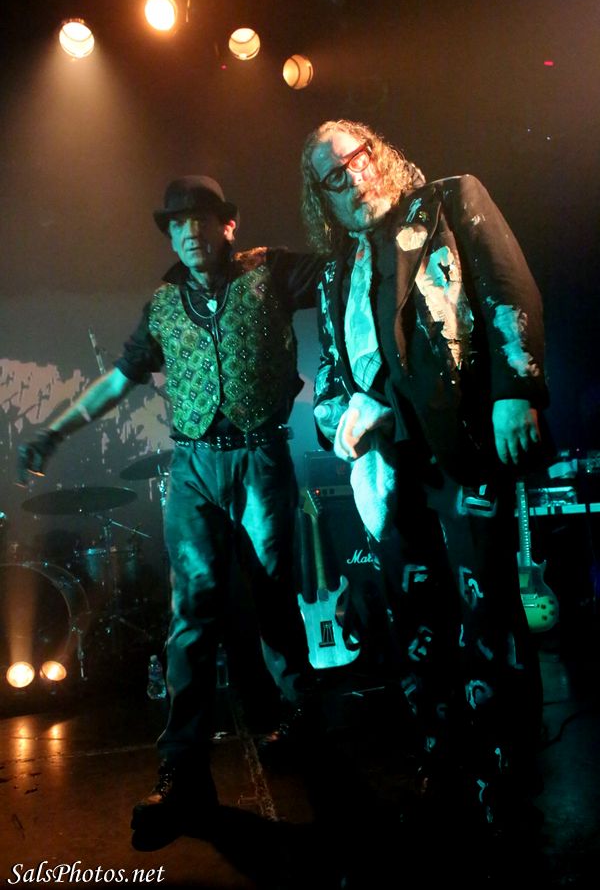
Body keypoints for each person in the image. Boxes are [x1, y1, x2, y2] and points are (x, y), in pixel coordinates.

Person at [17, 174, 322, 836]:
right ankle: (182, 770)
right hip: (193, 468)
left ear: (227, 224)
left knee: (273, 596)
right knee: (192, 615)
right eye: (177, 224)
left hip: (261, 458)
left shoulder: (271, 272)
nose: (189, 233)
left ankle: (304, 721)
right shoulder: (161, 306)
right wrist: (55, 430)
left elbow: (348, 277)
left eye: (200, 220)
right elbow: (119, 380)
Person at [299, 119, 551, 840]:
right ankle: (443, 756)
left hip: (464, 449)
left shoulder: (450, 200)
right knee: (415, 620)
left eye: (357, 157)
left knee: (488, 610)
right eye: (333, 176)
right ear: (323, 197)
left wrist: (516, 390)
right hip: (392, 470)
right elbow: (331, 380)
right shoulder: (336, 270)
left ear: (378, 152)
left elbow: (508, 287)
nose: (353, 177)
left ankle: (506, 767)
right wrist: (341, 422)